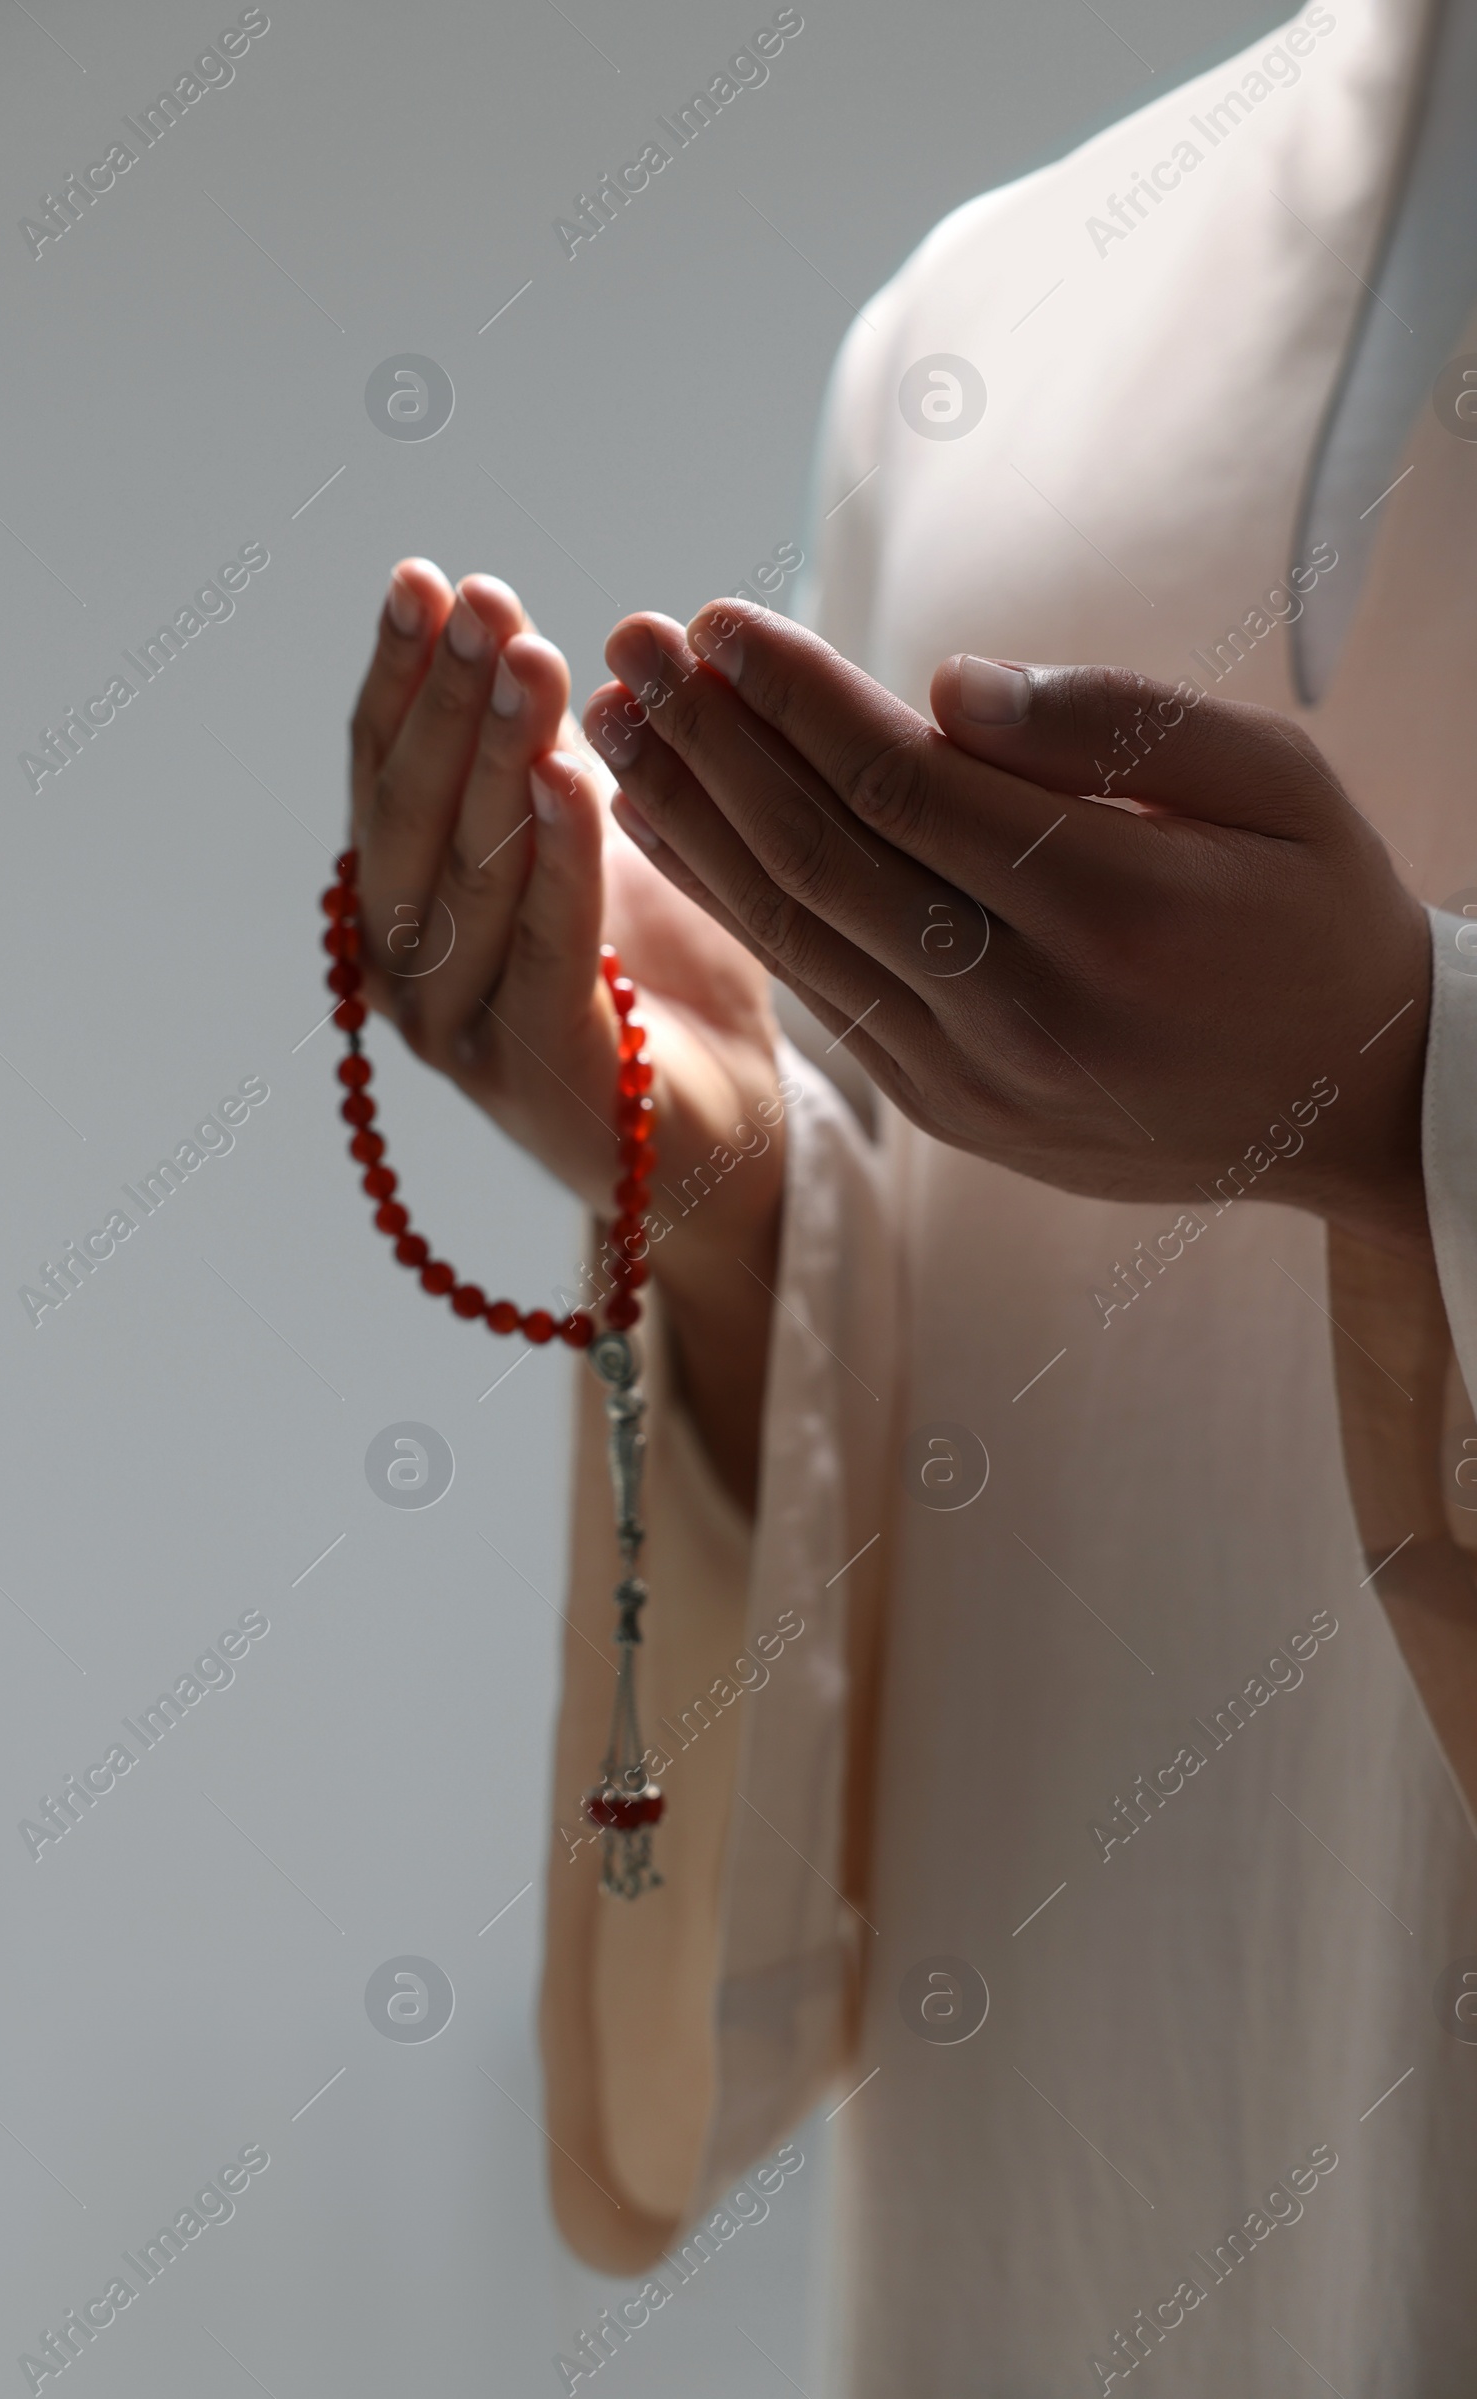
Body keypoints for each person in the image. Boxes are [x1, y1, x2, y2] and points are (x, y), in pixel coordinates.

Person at [344, 0, 1477, 2384]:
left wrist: (1406, 1094)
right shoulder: (1001, 317)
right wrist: (715, 1166)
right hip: (1064, 2220)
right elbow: (956, 1313)